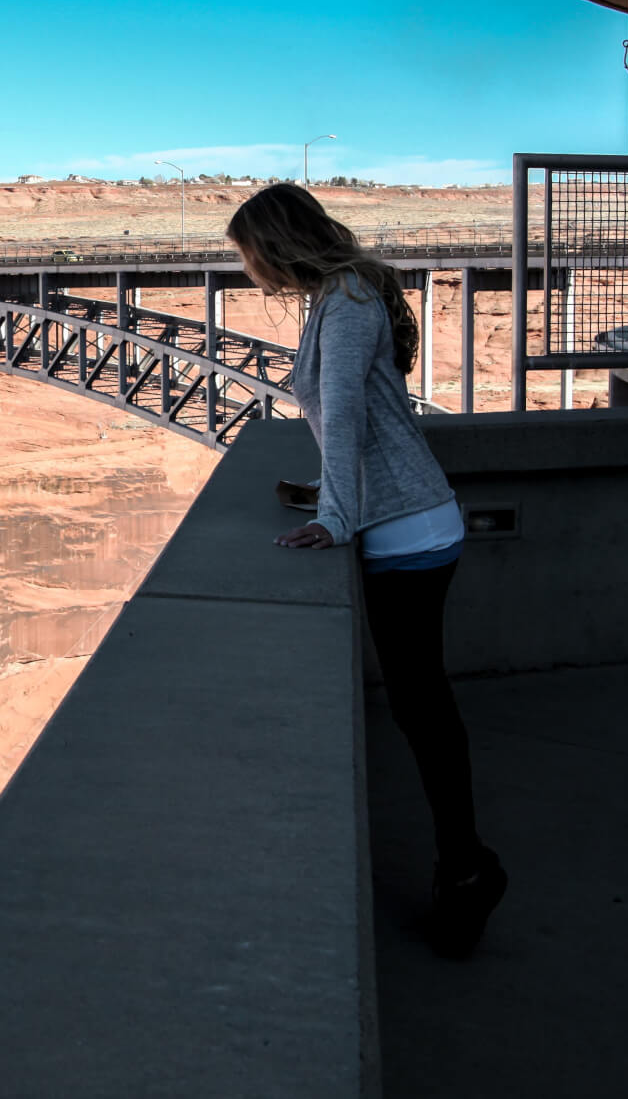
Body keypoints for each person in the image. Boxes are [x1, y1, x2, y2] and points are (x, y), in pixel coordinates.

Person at [226, 181, 506, 957]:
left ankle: (469, 866)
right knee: (423, 707)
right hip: (406, 521)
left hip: (408, 532)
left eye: (246, 252)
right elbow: (364, 418)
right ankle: (465, 862)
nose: (246, 267)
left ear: (274, 244)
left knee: (424, 710)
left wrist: (336, 518)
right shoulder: (338, 294)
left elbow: (346, 410)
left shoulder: (345, 303)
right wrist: (327, 490)